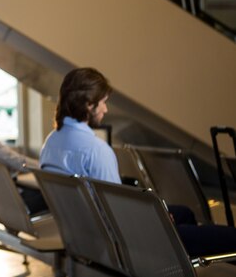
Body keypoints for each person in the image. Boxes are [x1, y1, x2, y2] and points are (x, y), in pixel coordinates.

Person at [40, 67, 236, 258]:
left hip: (83, 234)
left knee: (183, 213)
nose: (106, 109)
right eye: (103, 102)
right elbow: (117, 216)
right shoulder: (96, 150)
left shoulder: (51, 142)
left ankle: (177, 266)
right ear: (89, 105)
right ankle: (171, 262)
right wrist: (154, 220)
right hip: (121, 244)